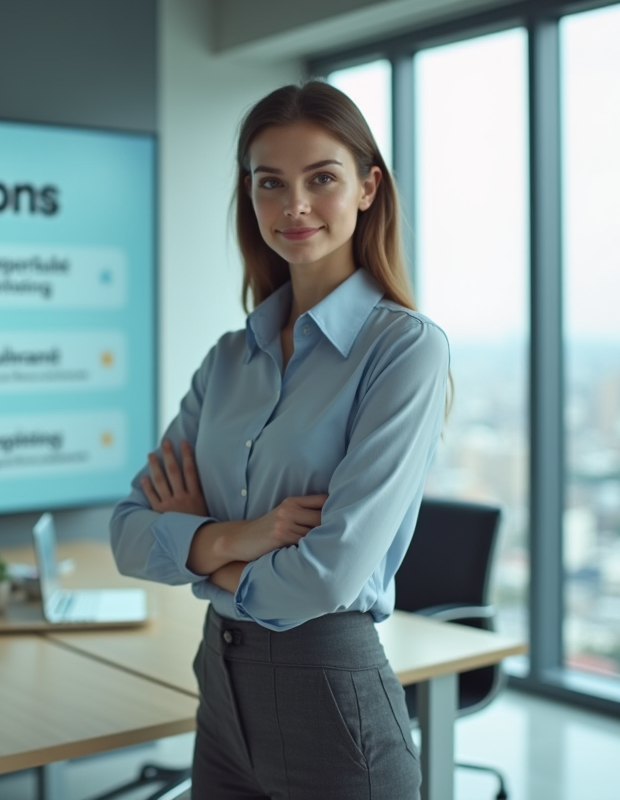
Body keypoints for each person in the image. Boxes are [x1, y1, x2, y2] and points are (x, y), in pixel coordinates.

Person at [109, 80, 450, 799]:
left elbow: (326, 577)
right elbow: (129, 534)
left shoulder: (403, 350)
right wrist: (240, 536)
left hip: (329, 692)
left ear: (367, 188)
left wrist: (195, 548)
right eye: (271, 182)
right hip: (221, 695)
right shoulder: (231, 358)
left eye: (321, 178)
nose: (293, 205)